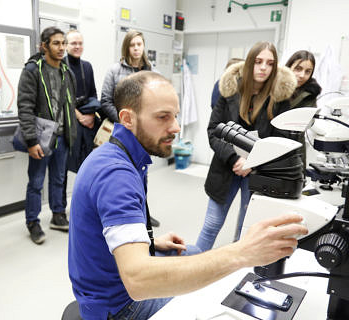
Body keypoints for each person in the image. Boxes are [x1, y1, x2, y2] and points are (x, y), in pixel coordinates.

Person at [68, 71, 307, 320]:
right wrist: (242, 252)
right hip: (119, 307)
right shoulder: (115, 174)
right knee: (212, 301)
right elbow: (138, 281)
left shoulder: (121, 154)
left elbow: (105, 227)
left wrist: (149, 242)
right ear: (128, 118)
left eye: (175, 116)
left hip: (106, 282)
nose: (176, 127)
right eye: (162, 117)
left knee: (193, 252)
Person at [195, 42, 297, 252]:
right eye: (258, 62)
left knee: (246, 229)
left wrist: (253, 163)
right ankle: (192, 270)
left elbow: (281, 141)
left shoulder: (279, 99)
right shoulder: (230, 90)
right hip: (226, 166)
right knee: (211, 225)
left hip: (258, 173)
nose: (263, 68)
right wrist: (235, 159)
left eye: (269, 63)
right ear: (249, 63)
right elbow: (214, 131)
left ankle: (237, 272)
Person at [17, 26, 77, 244]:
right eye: (56, 43)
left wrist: (72, 136)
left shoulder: (67, 72)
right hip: (41, 138)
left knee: (59, 179)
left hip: (62, 137)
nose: (62, 48)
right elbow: (24, 107)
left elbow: (70, 106)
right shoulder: (33, 70)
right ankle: (32, 222)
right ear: (44, 46)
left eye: (64, 43)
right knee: (36, 181)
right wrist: (31, 141)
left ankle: (58, 215)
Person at [100, 29, 160, 227]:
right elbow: (105, 101)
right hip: (120, 132)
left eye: (139, 44)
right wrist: (125, 120)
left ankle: (143, 212)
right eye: (132, 45)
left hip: (142, 133)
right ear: (127, 47)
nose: (136, 48)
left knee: (143, 173)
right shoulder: (114, 71)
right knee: (120, 171)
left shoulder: (151, 72)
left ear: (143, 47)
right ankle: (120, 214)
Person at [64, 29, 99, 172]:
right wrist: (80, 117)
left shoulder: (87, 66)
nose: (77, 46)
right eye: (73, 43)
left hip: (88, 121)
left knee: (89, 165)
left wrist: (91, 116)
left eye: (80, 43)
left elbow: (93, 94)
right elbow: (62, 99)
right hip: (69, 123)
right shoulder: (61, 67)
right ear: (66, 45)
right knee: (64, 169)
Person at [285, 50, 322, 170]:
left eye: (308, 71)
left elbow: (308, 122)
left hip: (295, 149)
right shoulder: (274, 87)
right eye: (298, 68)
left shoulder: (310, 93)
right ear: (289, 67)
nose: (302, 75)